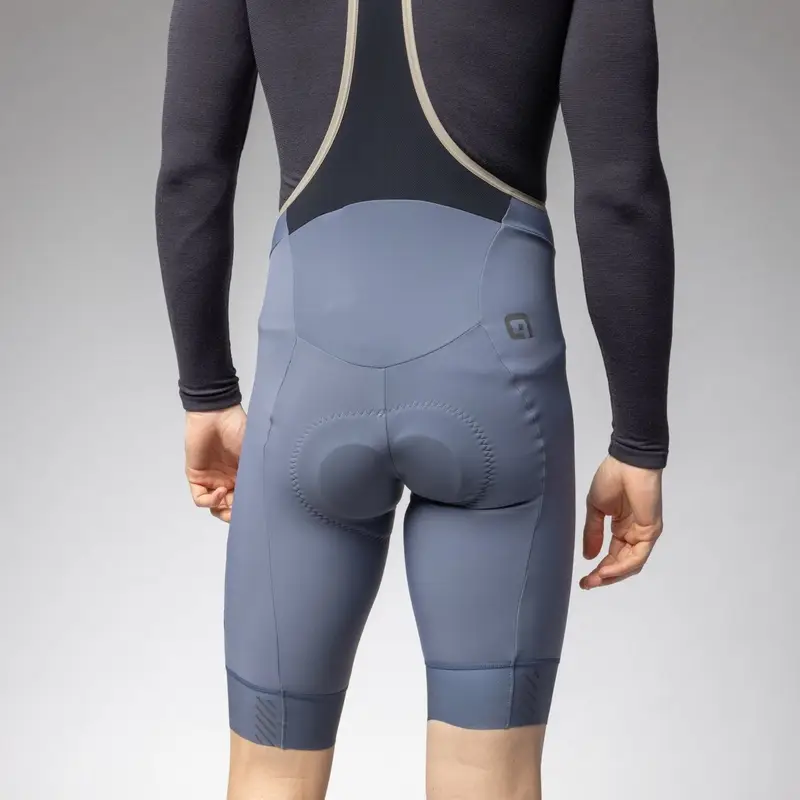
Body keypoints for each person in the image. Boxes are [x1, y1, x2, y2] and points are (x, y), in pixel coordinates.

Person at [155, 0, 674, 797]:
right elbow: (621, 194)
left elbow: (191, 173)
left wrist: (207, 392)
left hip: (310, 378)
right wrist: (638, 439)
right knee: (487, 775)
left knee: (269, 772)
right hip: (496, 380)